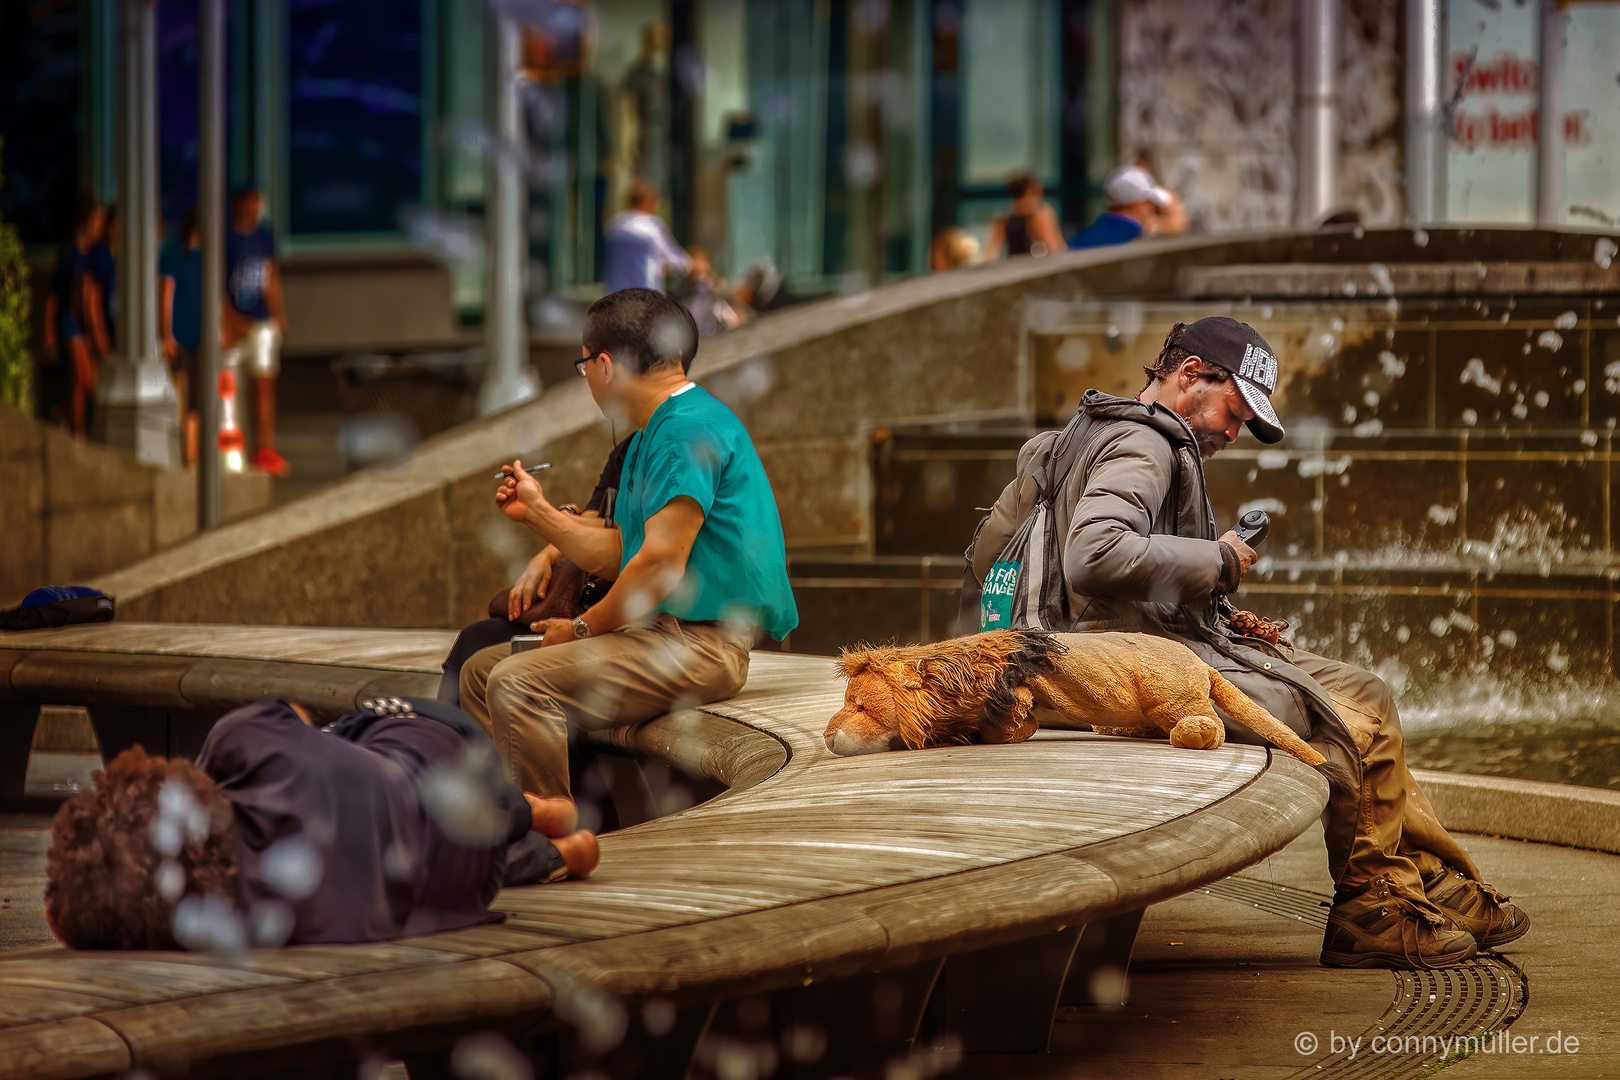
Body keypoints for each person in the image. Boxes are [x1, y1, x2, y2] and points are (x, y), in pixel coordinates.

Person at [965, 317, 1529, 970]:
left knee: (1363, 692)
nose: (1233, 434)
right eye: (1234, 411)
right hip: (1124, 679)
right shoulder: (1144, 446)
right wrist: (1219, 558)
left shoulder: (1067, 440)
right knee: (1350, 713)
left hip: (1080, 665)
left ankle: (1421, 881)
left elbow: (985, 557)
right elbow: (1094, 555)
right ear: (1187, 373)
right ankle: (1373, 907)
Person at [459, 287, 798, 799]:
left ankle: (550, 840)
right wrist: (538, 514)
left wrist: (580, 628)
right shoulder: (653, 432)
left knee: (516, 681)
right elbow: (624, 554)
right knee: (480, 671)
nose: (588, 379)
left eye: (584, 366)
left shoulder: (687, 431)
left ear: (605, 365)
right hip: (663, 634)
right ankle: (536, 817)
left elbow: (659, 565)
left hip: (700, 645)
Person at [43, 696, 598, 951]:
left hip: (466, 880)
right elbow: (298, 720)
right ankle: (531, 809)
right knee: (351, 730)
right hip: (450, 765)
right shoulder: (240, 741)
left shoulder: (233, 921)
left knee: (390, 849)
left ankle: (558, 854)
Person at [438, 434, 633, 707]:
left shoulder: (677, 441)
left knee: (500, 670)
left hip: (635, 620)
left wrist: (580, 629)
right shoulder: (628, 447)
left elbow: (635, 546)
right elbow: (596, 519)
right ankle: (442, 741)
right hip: (586, 606)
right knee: (476, 639)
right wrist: (549, 546)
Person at [223, 184, 290, 477]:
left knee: (265, 384)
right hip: (235, 321)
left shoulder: (264, 235)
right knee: (231, 390)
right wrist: (228, 318)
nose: (252, 207)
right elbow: (214, 279)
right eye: (248, 201)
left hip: (261, 319)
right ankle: (232, 449)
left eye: (256, 201)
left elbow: (271, 275)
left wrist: (279, 316)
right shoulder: (226, 237)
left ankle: (265, 448)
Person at [42, 193, 104, 436]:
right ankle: (74, 426)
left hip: (82, 325)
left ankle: (68, 420)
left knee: (81, 383)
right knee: (85, 379)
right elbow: (55, 293)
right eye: (96, 219)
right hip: (69, 324)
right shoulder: (71, 252)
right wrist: (48, 327)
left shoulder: (90, 254)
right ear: (87, 220)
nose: (99, 225)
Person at [160, 206, 205, 466]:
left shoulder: (206, 254)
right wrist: (167, 334)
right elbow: (167, 292)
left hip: (201, 337)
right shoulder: (174, 251)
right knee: (183, 397)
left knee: (197, 399)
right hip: (180, 338)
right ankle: (185, 456)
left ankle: (192, 456)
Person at [1068, 163, 1188, 250]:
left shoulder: (1083, 237)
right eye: (1149, 203)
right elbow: (1179, 223)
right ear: (1136, 206)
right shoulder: (1137, 235)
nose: (1152, 209)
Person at [602, 179, 690, 294]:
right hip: (646, 295)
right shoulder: (652, 227)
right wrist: (689, 264)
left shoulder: (615, 225)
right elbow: (674, 258)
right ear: (648, 201)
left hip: (616, 295)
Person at [985, 174, 1065, 260]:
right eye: (1036, 193)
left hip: (1015, 266)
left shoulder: (1004, 217)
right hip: (1034, 266)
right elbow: (1054, 246)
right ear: (1028, 193)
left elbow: (990, 253)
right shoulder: (1040, 214)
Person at [83, 206, 118, 364]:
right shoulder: (100, 254)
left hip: (114, 327)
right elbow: (91, 298)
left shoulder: (120, 256)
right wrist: (98, 335)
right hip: (101, 328)